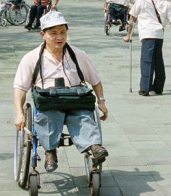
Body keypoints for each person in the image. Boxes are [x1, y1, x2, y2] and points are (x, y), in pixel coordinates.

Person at [13, 11, 109, 172]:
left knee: (83, 117)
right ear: (42, 34)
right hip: (49, 103)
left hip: (75, 100)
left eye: (63, 32)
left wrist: (101, 101)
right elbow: (20, 88)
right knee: (49, 117)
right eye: (54, 33)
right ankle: (50, 151)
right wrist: (18, 113)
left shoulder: (78, 55)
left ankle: (94, 147)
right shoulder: (31, 58)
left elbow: (95, 81)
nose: (60, 37)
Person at [123, 0, 171, 96]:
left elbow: (132, 18)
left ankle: (145, 88)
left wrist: (128, 35)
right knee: (158, 59)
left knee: (147, 60)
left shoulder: (141, 0)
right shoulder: (165, 3)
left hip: (147, 33)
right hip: (159, 34)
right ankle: (158, 87)